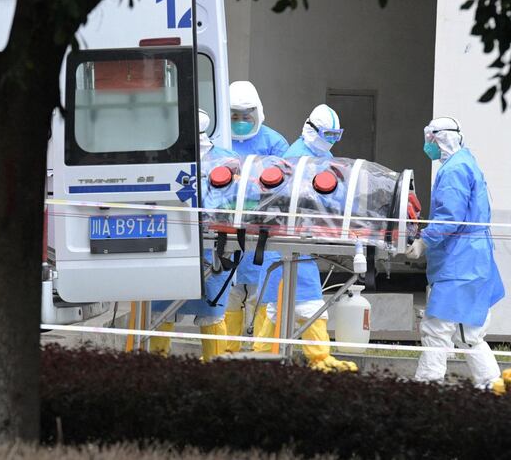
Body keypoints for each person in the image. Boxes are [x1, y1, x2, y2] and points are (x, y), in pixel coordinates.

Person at [252, 104, 357, 373]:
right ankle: (262, 359)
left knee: (308, 302)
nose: (331, 141)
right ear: (310, 130)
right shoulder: (295, 158)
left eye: (336, 135)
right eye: (327, 134)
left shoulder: (321, 154)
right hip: (283, 243)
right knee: (276, 306)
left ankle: (319, 359)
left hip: (300, 242)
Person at [406, 116, 505, 389]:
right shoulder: (467, 162)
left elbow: (450, 216)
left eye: (430, 138)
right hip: (474, 258)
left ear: (439, 137)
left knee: (437, 329)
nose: (428, 145)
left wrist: (424, 241)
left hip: (459, 261)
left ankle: (427, 387)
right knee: (469, 333)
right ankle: (492, 385)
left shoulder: (453, 171)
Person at [150, 110, 237, 361]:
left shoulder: (164, 157)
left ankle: (157, 367)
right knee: (165, 307)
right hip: (180, 243)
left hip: (203, 246)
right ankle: (214, 368)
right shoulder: (227, 160)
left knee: (205, 308)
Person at [224, 81, 291, 352]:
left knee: (260, 292)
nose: (240, 122)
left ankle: (259, 349)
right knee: (228, 290)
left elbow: (286, 185)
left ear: (258, 113)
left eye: (246, 116)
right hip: (226, 228)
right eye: (234, 116)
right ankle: (226, 347)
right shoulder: (221, 140)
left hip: (263, 228)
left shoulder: (274, 143)